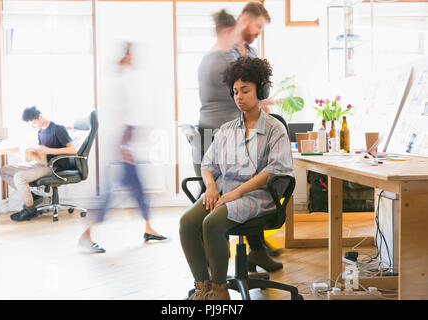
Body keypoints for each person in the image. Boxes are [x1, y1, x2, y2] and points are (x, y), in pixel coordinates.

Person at [180, 57, 294, 300]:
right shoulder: (227, 129)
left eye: (245, 90)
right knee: (187, 223)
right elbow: (208, 165)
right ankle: (203, 288)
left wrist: (236, 193)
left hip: (257, 196)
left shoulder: (275, 129)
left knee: (211, 223)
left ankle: (220, 291)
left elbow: (273, 171)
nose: (239, 97)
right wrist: (211, 187)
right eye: (235, 92)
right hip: (225, 193)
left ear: (260, 90)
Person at [196, 3, 282, 275]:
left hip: (240, 134)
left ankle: (255, 252)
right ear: (240, 23)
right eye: (257, 26)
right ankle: (215, 267)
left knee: (246, 184)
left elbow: (256, 94)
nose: (258, 33)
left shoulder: (246, 52)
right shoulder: (222, 57)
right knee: (219, 196)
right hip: (219, 134)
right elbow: (239, 94)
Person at [78, 43, 167, 254]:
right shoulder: (116, 84)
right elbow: (116, 118)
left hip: (126, 144)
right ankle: (86, 236)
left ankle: (148, 228)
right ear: (124, 58)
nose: (133, 60)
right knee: (108, 195)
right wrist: (123, 148)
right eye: (130, 56)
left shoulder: (126, 81)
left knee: (138, 189)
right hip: (119, 146)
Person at [0, 106, 76, 222]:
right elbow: (44, 150)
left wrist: (48, 151)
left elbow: (72, 150)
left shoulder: (58, 129)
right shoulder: (41, 130)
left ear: (40, 117)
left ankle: (30, 210)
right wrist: (34, 152)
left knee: (19, 177)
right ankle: (34, 197)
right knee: (4, 170)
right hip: (42, 163)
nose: (33, 126)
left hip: (54, 166)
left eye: (33, 123)